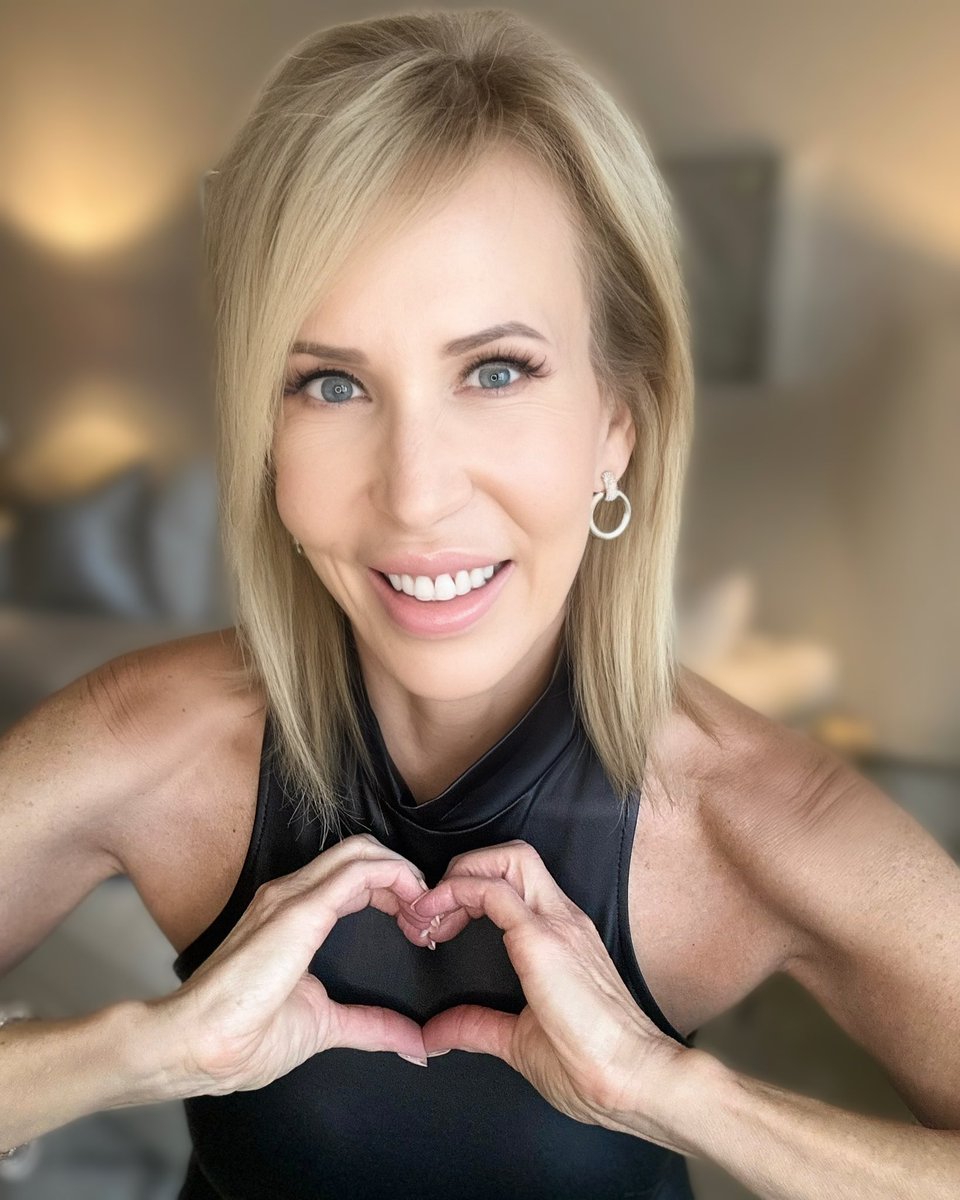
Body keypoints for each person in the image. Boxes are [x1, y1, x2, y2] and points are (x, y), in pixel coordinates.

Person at [1, 8, 958, 1199]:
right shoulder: (148, 741)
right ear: (266, 435)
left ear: (618, 424)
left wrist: (672, 1092)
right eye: (331, 383)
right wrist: (136, 1054)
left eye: (495, 371)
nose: (415, 496)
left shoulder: (761, 818)